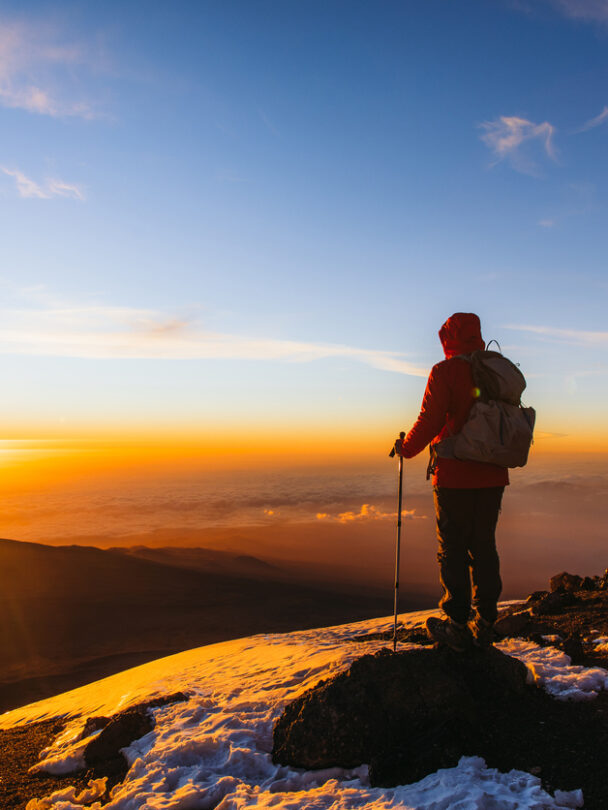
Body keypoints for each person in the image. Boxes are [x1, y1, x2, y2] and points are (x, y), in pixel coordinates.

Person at [396, 312, 508, 651]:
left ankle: (457, 624)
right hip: (493, 472)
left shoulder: (445, 371)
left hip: (455, 475)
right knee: (484, 545)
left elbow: (430, 419)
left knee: (453, 549)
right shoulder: (495, 369)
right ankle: (486, 620)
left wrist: (406, 448)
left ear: (447, 339)